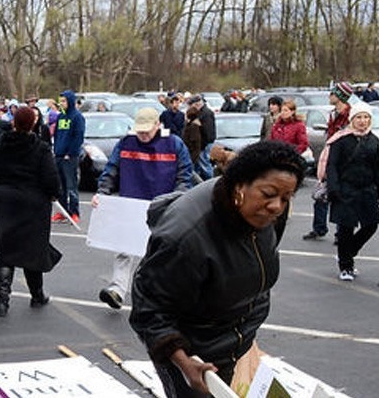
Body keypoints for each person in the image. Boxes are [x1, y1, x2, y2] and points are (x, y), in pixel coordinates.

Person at [129, 141, 305, 397]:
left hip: (234, 340)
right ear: (239, 185)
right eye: (268, 194)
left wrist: (246, 336)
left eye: (285, 198)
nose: (276, 206)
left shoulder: (263, 213)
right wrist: (182, 360)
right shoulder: (185, 238)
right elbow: (149, 310)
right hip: (193, 354)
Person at [93, 108, 194, 310]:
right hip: (131, 203)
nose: (143, 135)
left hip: (163, 207)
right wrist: (102, 193)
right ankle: (117, 289)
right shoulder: (125, 143)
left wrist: (177, 200)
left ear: (158, 125)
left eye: (147, 131)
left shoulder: (174, 144)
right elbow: (112, 170)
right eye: (140, 131)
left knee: (160, 252)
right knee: (124, 249)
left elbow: (185, 176)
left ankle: (160, 294)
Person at [0, 106, 61, 317]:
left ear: (13, 122)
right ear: (33, 124)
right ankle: (37, 294)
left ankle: (1, 300)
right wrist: (53, 194)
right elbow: (51, 179)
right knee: (32, 250)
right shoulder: (41, 149)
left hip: (1, 201)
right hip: (32, 204)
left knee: (4, 251)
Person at [325, 102, 379, 281]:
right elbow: (332, 166)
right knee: (345, 228)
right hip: (345, 189)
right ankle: (346, 267)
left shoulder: (374, 141)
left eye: (366, 117)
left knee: (371, 225)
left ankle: (349, 251)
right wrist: (334, 188)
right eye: (359, 117)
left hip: (367, 190)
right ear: (352, 119)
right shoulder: (340, 140)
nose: (362, 121)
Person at [305, 82, 353, 241]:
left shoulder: (350, 115)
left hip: (344, 162)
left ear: (340, 96)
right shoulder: (333, 114)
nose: (330, 96)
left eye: (333, 93)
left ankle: (342, 232)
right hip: (329, 158)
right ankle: (319, 228)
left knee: (341, 196)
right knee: (320, 195)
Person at [52, 90, 85, 224]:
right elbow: (57, 135)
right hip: (58, 155)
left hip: (70, 157)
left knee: (71, 186)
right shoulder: (60, 117)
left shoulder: (77, 117)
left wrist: (70, 153)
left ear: (70, 101)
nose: (62, 104)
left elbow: (78, 137)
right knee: (61, 187)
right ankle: (62, 212)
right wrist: (56, 150)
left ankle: (74, 212)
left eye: (64, 101)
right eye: (60, 101)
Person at [187, 95, 216, 181]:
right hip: (203, 143)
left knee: (205, 165)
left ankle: (211, 182)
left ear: (196, 104)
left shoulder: (206, 113)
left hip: (205, 144)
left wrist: (203, 145)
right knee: (201, 165)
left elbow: (208, 132)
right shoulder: (202, 113)